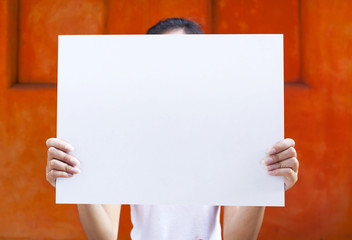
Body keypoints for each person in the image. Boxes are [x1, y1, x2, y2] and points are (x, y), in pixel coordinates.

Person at [46, 18, 299, 240]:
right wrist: (77, 181)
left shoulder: (227, 133)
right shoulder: (125, 133)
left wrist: (266, 182)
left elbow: (237, 237)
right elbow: (104, 236)